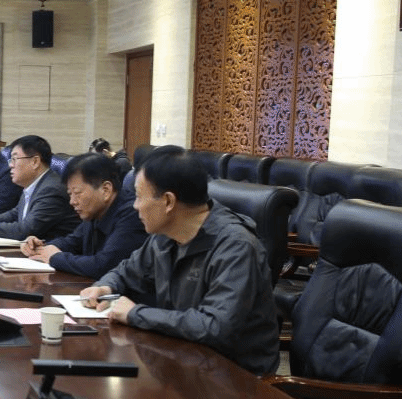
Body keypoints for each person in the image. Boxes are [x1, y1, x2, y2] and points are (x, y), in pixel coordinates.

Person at [79, 146, 279, 375]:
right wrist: (106, 286)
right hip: (184, 358)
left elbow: (215, 326)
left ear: (168, 201)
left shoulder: (236, 246)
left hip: (235, 376)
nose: (135, 206)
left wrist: (136, 314)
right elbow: (126, 271)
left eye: (139, 197)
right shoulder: (165, 235)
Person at [22, 153, 146, 278]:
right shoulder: (94, 212)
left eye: (77, 193)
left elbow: (103, 265)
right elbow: (72, 242)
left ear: (106, 190)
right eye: (70, 194)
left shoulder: (132, 214)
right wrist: (40, 247)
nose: (72, 202)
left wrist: (55, 257)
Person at [0, 134, 79, 240]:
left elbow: (26, 230)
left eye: (14, 159)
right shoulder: (34, 184)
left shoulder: (51, 189)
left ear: (35, 162)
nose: (10, 165)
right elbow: (15, 213)